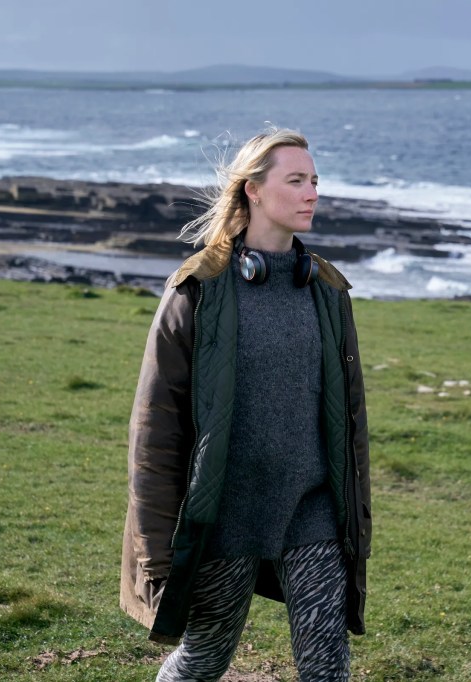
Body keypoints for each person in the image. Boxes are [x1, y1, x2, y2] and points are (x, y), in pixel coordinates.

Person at [119, 128, 371, 682]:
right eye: (296, 180)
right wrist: (155, 547)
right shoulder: (199, 289)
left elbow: (351, 424)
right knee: (204, 659)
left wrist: (356, 523)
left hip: (312, 510)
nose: (312, 193)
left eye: (315, 181)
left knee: (327, 666)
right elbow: (155, 427)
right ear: (253, 190)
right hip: (225, 514)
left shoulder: (328, 291)